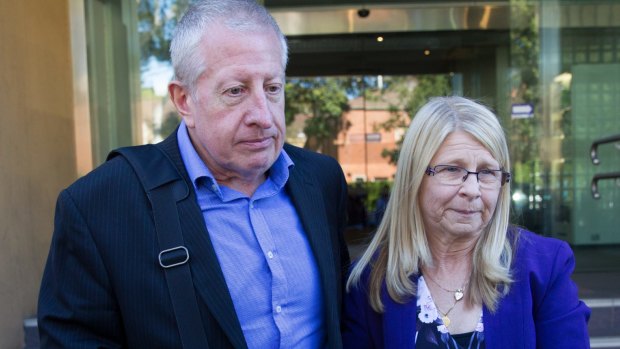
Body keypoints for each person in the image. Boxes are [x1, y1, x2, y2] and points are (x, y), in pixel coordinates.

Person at [38, 1, 350, 348]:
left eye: (273, 88)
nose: (263, 115)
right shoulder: (99, 205)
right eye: (236, 91)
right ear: (184, 100)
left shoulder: (322, 180)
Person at [342, 96, 590, 348]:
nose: (472, 189)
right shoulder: (369, 282)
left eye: (487, 172)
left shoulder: (545, 266)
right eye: (452, 169)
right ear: (414, 178)